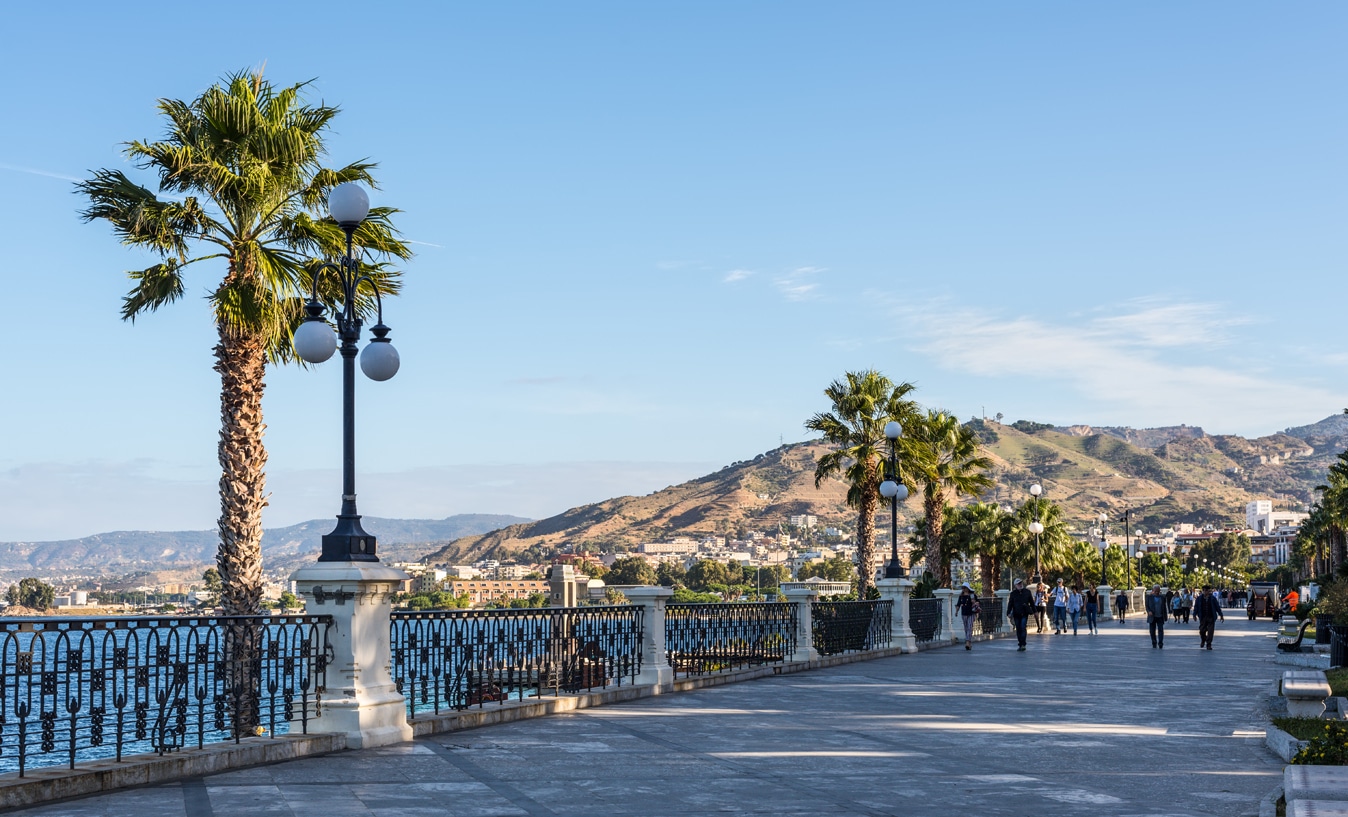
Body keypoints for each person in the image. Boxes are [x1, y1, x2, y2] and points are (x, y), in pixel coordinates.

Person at [1007, 578, 1035, 651]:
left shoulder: (1027, 592)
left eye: (1021, 583)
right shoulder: (1013, 594)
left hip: (1024, 613)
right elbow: (1010, 604)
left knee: (1023, 627)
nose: (1020, 584)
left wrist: (1035, 612)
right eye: (1018, 583)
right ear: (1015, 585)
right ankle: (1020, 643)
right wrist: (1008, 613)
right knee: (1018, 629)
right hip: (1016, 614)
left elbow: (1032, 603)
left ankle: (1023, 644)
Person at [1194, 584, 1225, 650]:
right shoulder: (1199, 599)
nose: (1205, 592)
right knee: (1202, 630)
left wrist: (1221, 615)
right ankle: (1203, 639)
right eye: (1204, 590)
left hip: (1211, 616)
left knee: (1210, 631)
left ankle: (1209, 644)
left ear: (1209, 591)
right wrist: (1194, 615)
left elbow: (1217, 607)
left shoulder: (1213, 598)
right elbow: (1196, 607)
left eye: (1206, 590)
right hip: (1203, 617)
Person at [956, 582, 981, 650]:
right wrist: (956, 611)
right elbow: (958, 604)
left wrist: (974, 602)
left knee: (969, 627)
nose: (963, 589)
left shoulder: (972, 595)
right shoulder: (961, 596)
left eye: (965, 587)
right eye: (963, 588)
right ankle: (969, 642)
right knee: (966, 628)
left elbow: (978, 602)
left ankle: (967, 642)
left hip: (971, 613)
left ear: (968, 588)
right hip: (964, 613)